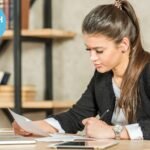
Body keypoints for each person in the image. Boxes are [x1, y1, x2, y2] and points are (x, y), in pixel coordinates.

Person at [13, 0, 150, 140]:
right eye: (89, 50)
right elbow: (76, 115)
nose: (92, 57)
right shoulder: (103, 76)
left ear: (124, 45)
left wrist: (114, 131)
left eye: (99, 50)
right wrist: (36, 126)